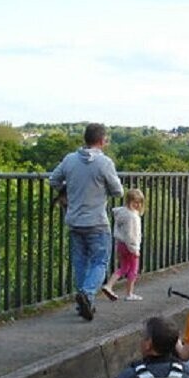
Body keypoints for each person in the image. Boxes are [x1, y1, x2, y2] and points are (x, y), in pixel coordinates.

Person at [49, 123, 123, 321]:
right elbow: (118, 191)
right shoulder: (104, 163)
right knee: (100, 261)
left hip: (74, 220)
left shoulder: (70, 160)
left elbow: (53, 180)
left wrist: (68, 189)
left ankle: (85, 302)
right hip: (97, 220)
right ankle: (87, 293)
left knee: (81, 262)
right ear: (102, 140)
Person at [103, 188, 145, 302]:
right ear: (128, 202)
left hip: (121, 244)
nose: (137, 205)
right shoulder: (133, 217)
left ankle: (109, 285)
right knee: (133, 269)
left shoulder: (122, 213)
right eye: (135, 202)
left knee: (123, 268)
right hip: (130, 246)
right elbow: (132, 235)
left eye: (139, 202)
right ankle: (129, 293)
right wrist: (135, 249)